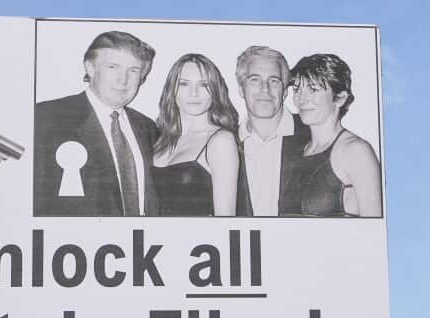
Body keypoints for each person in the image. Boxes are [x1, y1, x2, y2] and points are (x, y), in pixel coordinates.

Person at [34, 31, 160, 217]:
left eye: (133, 70)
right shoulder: (47, 118)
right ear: (90, 68)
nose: (123, 80)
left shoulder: (148, 128)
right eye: (112, 67)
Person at [279, 54, 383, 218]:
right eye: (297, 89)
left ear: (339, 99)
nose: (300, 99)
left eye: (312, 89)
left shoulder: (356, 152)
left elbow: (374, 233)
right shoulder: (292, 149)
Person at [152, 54, 240, 216]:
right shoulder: (156, 138)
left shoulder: (221, 141)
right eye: (184, 84)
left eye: (204, 85)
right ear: (172, 90)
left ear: (215, 91)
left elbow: (226, 219)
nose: (194, 93)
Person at [233, 46, 311, 216]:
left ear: (284, 92)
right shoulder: (226, 145)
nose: (265, 89)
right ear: (241, 89)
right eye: (254, 79)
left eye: (274, 80)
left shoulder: (313, 136)